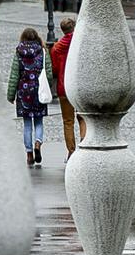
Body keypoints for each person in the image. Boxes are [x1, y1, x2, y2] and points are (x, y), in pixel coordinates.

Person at [7, 27, 55, 168]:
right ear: (36, 38)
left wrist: (11, 95)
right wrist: (48, 87)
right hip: (38, 91)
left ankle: (29, 154)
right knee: (39, 121)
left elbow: (14, 75)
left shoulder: (19, 53)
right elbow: (49, 73)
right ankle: (38, 144)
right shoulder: (43, 52)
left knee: (27, 124)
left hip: (23, 93)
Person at [49, 17, 86, 161]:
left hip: (63, 88)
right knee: (83, 116)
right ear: (74, 28)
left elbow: (55, 69)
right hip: (80, 86)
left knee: (68, 121)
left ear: (63, 30)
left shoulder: (57, 47)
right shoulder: (80, 44)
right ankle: (84, 141)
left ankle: (71, 152)